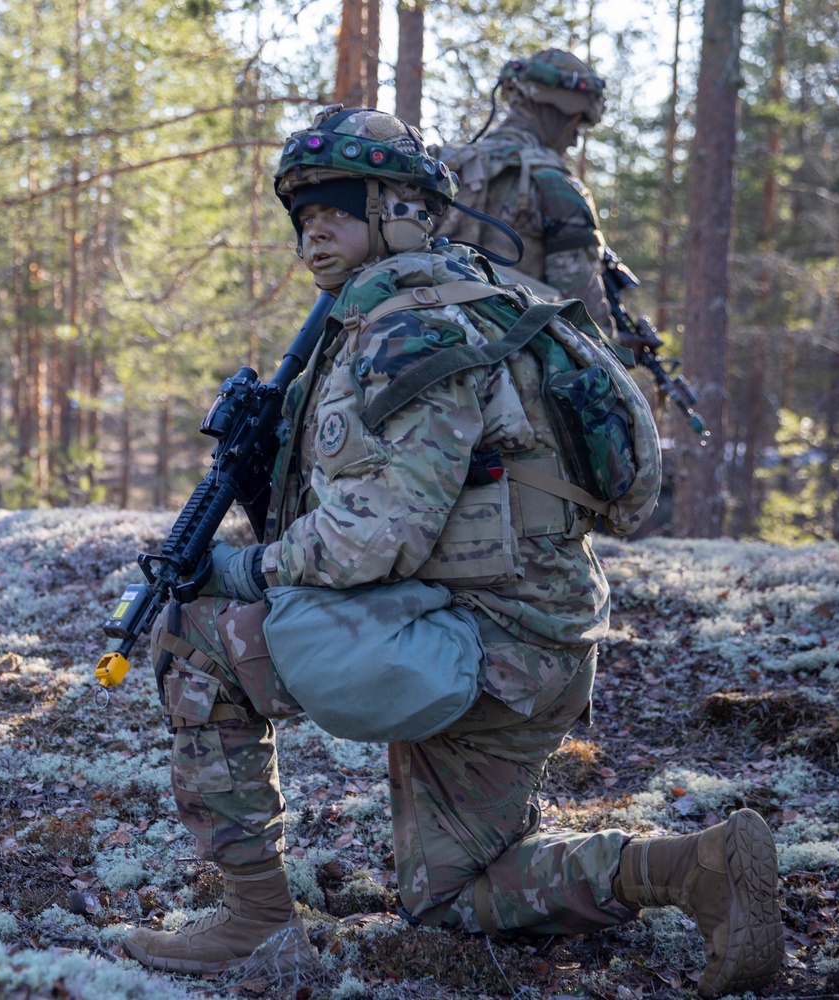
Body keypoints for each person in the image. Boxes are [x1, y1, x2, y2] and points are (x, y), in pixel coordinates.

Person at [122, 105, 783, 999]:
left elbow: (371, 537)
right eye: (302, 210)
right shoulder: (500, 302)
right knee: (451, 896)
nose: (315, 224)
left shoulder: (408, 332)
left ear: (402, 209)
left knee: (194, 632)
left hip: (473, 646)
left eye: (339, 203)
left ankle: (252, 923)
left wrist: (237, 570)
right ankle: (690, 870)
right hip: (536, 650)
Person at [429, 49, 626, 343]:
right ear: (557, 114)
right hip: (507, 368)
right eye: (575, 123)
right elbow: (585, 318)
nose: (574, 139)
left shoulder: (443, 167)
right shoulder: (555, 185)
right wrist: (617, 348)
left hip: (419, 342)